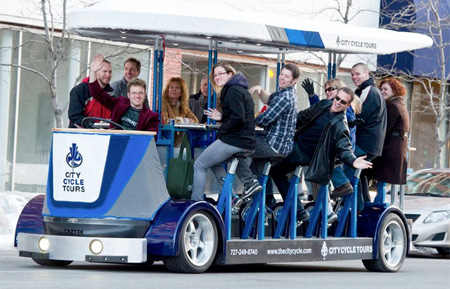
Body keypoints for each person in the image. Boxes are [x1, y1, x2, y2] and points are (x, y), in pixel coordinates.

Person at [270, 87, 373, 223]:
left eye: (342, 102)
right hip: (295, 144)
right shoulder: (324, 104)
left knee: (274, 170)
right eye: (337, 98)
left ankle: (295, 209)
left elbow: (344, 148)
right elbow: (302, 116)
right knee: (272, 162)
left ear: (347, 105)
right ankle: (296, 209)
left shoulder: (340, 125)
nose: (337, 103)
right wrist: (278, 121)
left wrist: (353, 161)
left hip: (305, 154)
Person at [191, 63, 261, 201]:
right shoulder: (239, 89)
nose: (217, 77)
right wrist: (222, 117)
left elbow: (238, 118)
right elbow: (239, 115)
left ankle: (196, 203)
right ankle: (230, 198)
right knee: (213, 163)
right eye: (215, 75)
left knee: (199, 164)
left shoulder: (232, 90)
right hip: (246, 141)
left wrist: (222, 130)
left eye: (220, 74)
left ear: (230, 74)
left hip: (235, 140)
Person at [248, 64, 299, 205]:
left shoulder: (286, 97)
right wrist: (259, 89)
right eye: (281, 74)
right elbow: (268, 99)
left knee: (238, 147)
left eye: (286, 76)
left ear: (294, 81)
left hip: (274, 145)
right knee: (256, 168)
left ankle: (252, 198)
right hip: (276, 145)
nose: (282, 78)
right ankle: (262, 203)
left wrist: (245, 119)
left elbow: (264, 119)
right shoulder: (283, 92)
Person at [301, 78, 362, 196]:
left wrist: (352, 122)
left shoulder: (344, 104)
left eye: (331, 89)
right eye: (326, 90)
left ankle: (341, 185)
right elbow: (318, 109)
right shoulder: (331, 104)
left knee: (325, 158)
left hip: (341, 146)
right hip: (335, 143)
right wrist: (312, 95)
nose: (328, 92)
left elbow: (346, 117)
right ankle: (326, 192)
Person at [349, 62, 387, 210]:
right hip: (370, 144)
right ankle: (362, 207)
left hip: (366, 144)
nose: (354, 77)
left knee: (347, 166)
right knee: (360, 175)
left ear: (367, 74)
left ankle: (356, 209)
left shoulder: (368, 91)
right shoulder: (366, 91)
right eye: (352, 74)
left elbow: (359, 116)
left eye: (357, 74)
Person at [87, 54, 159, 132]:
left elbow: (150, 139)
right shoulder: (119, 103)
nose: (137, 96)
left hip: (134, 143)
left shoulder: (151, 117)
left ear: (144, 95)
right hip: (115, 141)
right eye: (134, 93)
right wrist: (93, 72)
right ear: (128, 95)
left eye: (140, 93)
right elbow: (97, 93)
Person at [366, 78, 410, 186]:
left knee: (372, 175)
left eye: (386, 89)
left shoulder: (392, 106)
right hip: (397, 150)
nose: (382, 91)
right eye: (381, 89)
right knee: (383, 181)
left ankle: (374, 201)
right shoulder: (400, 105)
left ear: (394, 90)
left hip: (389, 150)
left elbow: (384, 130)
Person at [68, 57, 113, 128]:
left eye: (110, 72)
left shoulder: (111, 94)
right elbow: (74, 116)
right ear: (96, 72)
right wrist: (93, 125)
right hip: (79, 135)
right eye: (104, 71)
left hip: (102, 135)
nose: (108, 75)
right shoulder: (80, 90)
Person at [161, 77, 199, 146]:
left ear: (182, 92)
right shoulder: (162, 101)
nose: (174, 90)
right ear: (167, 90)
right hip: (165, 140)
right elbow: (164, 121)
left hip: (179, 142)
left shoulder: (183, 105)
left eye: (177, 88)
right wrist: (184, 121)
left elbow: (195, 120)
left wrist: (181, 121)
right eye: (171, 87)